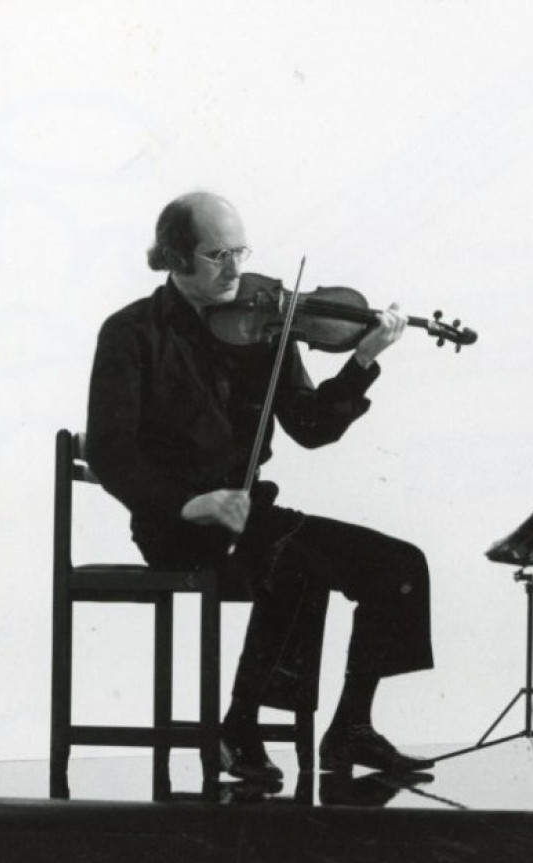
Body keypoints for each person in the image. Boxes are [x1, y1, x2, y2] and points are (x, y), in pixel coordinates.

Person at [85, 191, 439, 786]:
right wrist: (186, 503)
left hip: (255, 517)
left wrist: (362, 362)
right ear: (174, 256)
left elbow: (311, 428)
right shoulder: (131, 333)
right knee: (298, 562)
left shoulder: (264, 330)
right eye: (217, 254)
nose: (235, 269)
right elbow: (110, 451)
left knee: (399, 565)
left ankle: (351, 725)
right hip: (176, 527)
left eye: (240, 252)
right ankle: (239, 727)